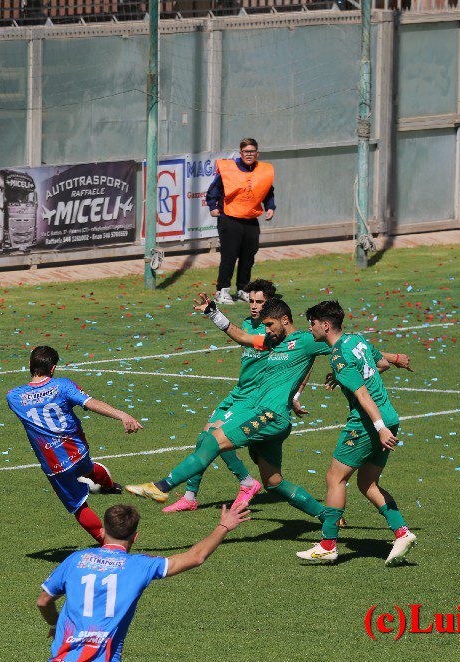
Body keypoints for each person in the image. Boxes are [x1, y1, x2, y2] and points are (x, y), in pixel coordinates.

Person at [126, 297, 342, 542]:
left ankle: (161, 487)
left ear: (285, 320)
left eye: (269, 325)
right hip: (265, 416)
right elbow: (242, 337)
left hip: (271, 416)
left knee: (212, 440)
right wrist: (213, 313)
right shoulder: (273, 341)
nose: (266, 330)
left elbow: (344, 345)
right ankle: (327, 515)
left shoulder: (305, 340)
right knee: (273, 482)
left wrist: (350, 369)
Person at [37, 502, 250, 662]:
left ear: (102, 532)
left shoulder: (75, 560)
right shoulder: (140, 566)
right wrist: (223, 526)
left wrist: (55, 624)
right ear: (135, 537)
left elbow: (43, 601)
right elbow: (196, 557)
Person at [297, 300, 416, 566]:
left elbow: (362, 394)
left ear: (325, 326)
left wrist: (379, 428)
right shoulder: (357, 340)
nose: (310, 328)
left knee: (335, 478)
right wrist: (343, 378)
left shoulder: (339, 355)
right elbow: (381, 364)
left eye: (312, 324)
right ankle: (402, 532)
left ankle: (328, 545)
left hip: (367, 424)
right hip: (390, 417)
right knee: (367, 483)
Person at [161, 279, 278, 514]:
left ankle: (246, 483)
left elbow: (242, 338)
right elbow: (241, 334)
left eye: (259, 302)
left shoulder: (274, 332)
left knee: (214, 439)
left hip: (254, 398)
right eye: (251, 301)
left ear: (271, 303)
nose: (254, 306)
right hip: (239, 393)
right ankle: (191, 497)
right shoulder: (247, 323)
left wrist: (214, 314)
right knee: (203, 439)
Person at [7, 346, 143, 544]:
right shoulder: (63, 386)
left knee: (79, 506)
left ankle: (107, 543)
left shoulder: (14, 397)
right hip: (78, 450)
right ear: (53, 368)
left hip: (56, 464)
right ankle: (109, 486)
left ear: (29, 365)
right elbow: (89, 402)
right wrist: (121, 414)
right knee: (89, 468)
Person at [206, 138, 275, 305]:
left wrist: (270, 207)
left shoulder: (263, 171)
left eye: (252, 151)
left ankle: (243, 289)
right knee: (229, 256)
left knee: (248, 256)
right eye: (246, 152)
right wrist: (212, 206)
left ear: (257, 153)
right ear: (241, 153)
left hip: (251, 219)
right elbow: (214, 189)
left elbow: (268, 192)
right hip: (230, 218)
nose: (249, 154)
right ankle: (222, 291)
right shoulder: (229, 169)